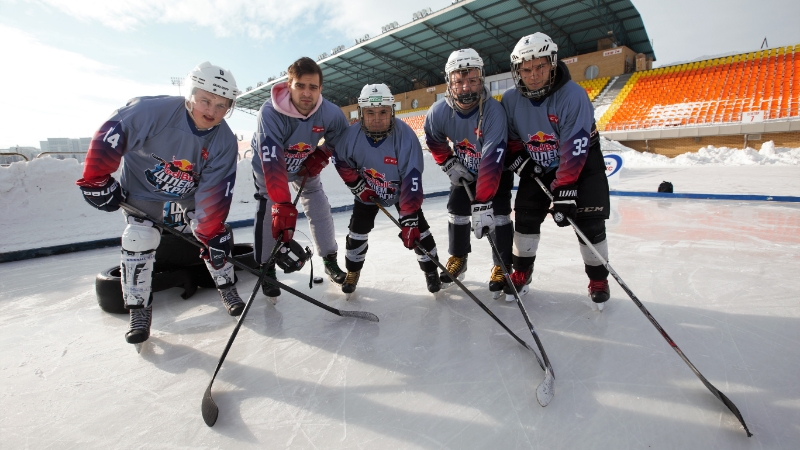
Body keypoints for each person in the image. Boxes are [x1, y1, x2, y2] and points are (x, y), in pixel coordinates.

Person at [76, 61, 244, 344]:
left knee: (216, 237)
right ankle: (138, 310)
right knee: (137, 241)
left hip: (190, 196)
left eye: (221, 105)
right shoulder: (150, 111)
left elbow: (215, 188)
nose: (212, 111)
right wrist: (96, 179)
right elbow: (111, 135)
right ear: (191, 95)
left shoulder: (224, 140)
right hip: (143, 196)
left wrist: (210, 229)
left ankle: (227, 287)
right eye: (206, 100)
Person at [501, 32, 611, 310]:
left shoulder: (573, 94)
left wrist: (565, 190)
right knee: (524, 217)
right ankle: (522, 271)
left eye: (540, 67)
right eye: (526, 69)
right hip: (538, 164)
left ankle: (598, 279)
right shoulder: (511, 100)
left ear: (552, 63)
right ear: (517, 71)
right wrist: (518, 159)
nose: (534, 75)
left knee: (590, 222)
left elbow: (576, 145)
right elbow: (511, 138)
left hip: (582, 162)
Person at [251, 57, 349, 301]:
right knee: (270, 209)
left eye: (313, 87)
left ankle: (329, 260)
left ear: (320, 89)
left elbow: (342, 136)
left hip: (303, 163)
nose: (307, 93)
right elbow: (272, 161)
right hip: (269, 167)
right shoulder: (270, 112)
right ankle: (266, 267)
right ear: (289, 85)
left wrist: (323, 153)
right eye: (300, 86)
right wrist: (282, 205)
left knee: (318, 203)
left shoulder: (330, 113)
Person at [332, 84, 441, 297]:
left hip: (401, 192)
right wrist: (357, 185)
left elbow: (412, 178)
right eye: (370, 113)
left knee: (420, 231)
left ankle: (431, 271)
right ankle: (352, 271)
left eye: (383, 112)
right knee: (356, 233)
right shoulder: (350, 135)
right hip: (368, 192)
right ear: (361, 113)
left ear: (392, 111)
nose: (377, 118)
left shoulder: (406, 136)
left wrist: (409, 218)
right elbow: (341, 160)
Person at [423, 48, 515, 300]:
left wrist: (483, 201)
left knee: (499, 216)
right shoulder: (438, 112)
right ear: (449, 82)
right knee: (457, 211)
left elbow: (492, 158)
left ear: (481, 78)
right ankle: (459, 257)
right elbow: (433, 139)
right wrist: (449, 162)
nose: (466, 87)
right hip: (464, 170)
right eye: (459, 81)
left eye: (472, 80)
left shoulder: (494, 112)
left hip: (495, 171)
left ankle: (502, 265)